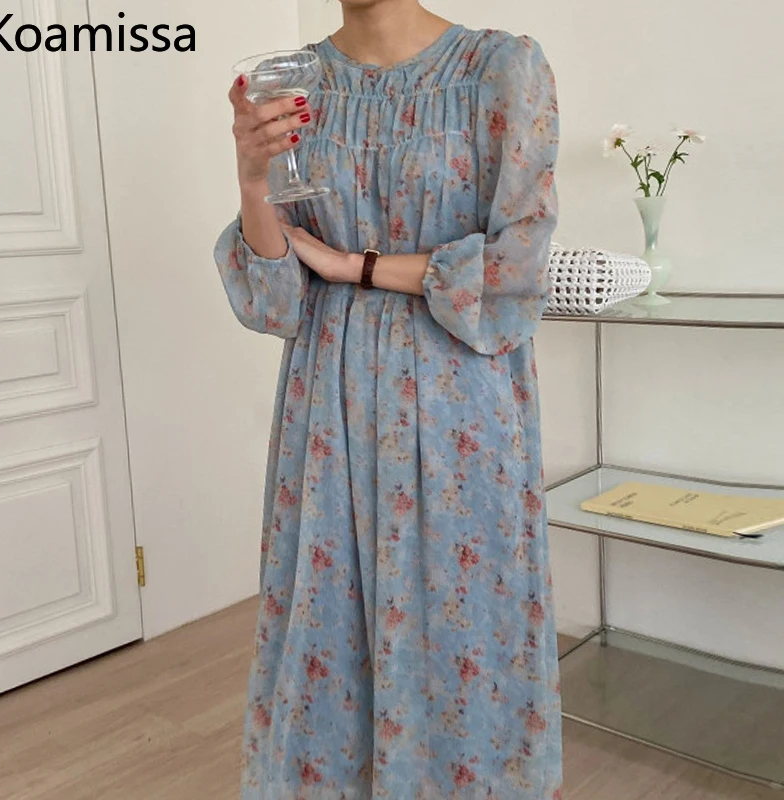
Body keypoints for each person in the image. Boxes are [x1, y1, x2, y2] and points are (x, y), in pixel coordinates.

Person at [214, 0, 561, 796]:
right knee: (326, 633)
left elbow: (517, 268)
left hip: (458, 403)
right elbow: (274, 299)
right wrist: (251, 177)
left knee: (462, 631)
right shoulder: (294, 82)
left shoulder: (500, 68)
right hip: (326, 405)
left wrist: (357, 267)